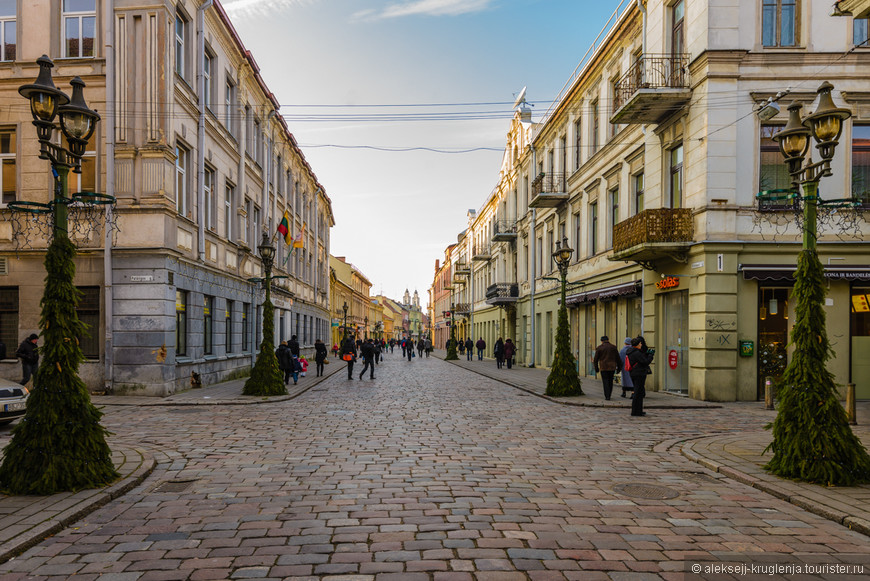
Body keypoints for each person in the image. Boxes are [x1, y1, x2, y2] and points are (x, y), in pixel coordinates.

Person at [626, 337, 654, 416]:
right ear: (638, 344)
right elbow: (645, 362)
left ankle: (638, 410)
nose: (641, 345)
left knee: (638, 392)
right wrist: (650, 356)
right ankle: (635, 411)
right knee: (638, 393)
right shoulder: (636, 353)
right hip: (639, 374)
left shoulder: (630, 351)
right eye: (640, 343)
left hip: (633, 373)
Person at [593, 335, 621, 401]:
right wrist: (619, 368)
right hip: (612, 367)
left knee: (605, 381)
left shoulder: (599, 348)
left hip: (603, 367)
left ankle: (607, 395)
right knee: (610, 381)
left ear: (602, 341)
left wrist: (596, 368)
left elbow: (595, 359)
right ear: (608, 340)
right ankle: (609, 394)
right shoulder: (613, 347)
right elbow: (618, 358)